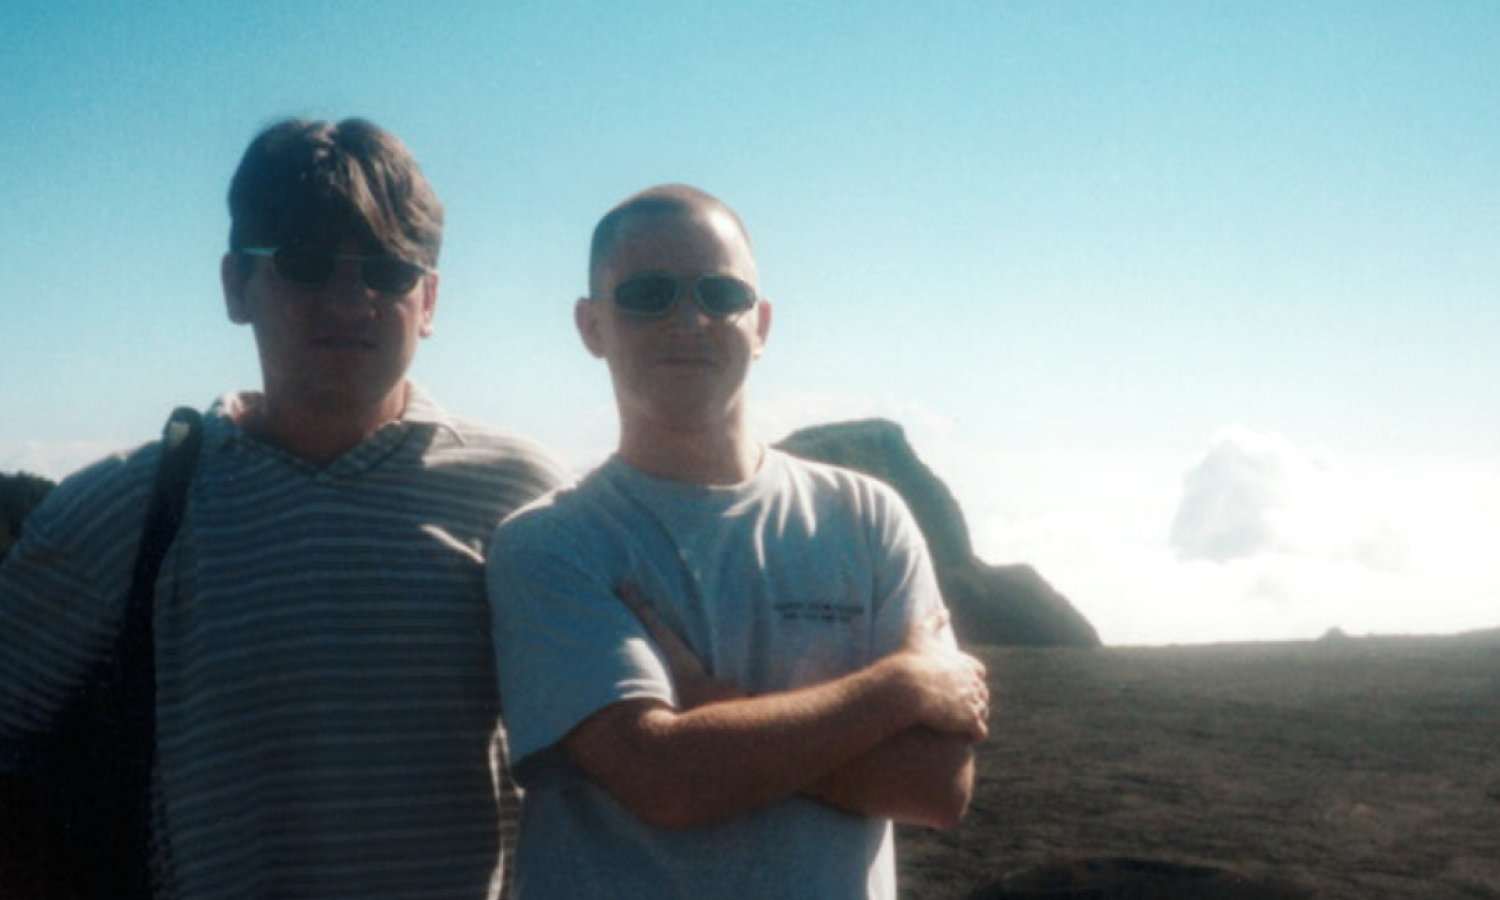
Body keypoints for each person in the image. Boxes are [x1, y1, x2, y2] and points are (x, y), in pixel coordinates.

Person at [0, 118, 569, 900]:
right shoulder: (126, 507)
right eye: (305, 262)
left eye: (389, 270)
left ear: (429, 300)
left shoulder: (521, 495)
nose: (351, 299)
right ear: (237, 285)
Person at [487, 184, 990, 900]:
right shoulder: (549, 542)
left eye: (721, 294)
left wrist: (718, 714)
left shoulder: (869, 517)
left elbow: (937, 787)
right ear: (591, 325)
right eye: (648, 294)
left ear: (762, 324)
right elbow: (661, 779)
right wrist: (899, 686)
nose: (689, 318)